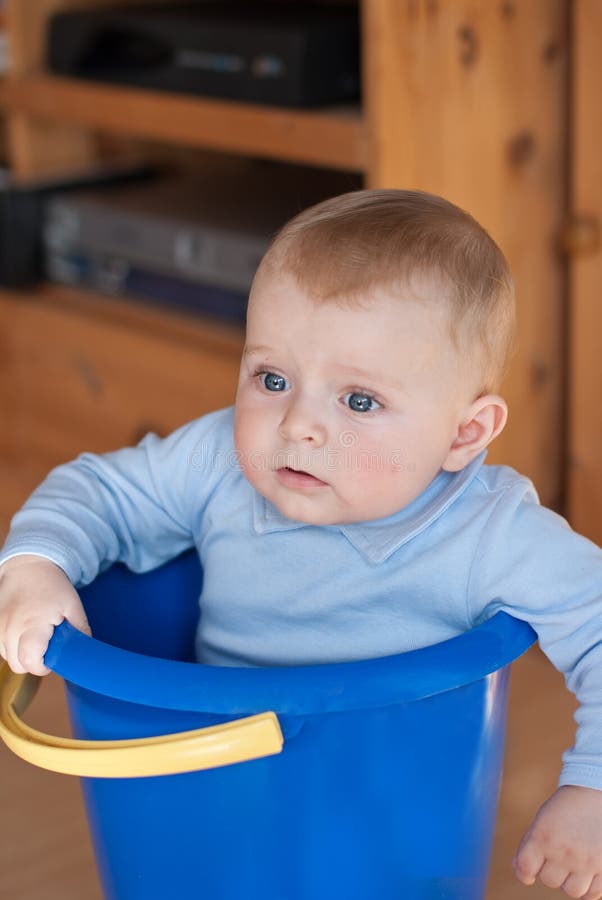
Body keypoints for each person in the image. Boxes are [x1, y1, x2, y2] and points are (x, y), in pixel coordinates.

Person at [0, 189, 601, 897]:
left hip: (398, 825)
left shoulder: (491, 532)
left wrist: (591, 790)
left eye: (359, 400)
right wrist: (34, 564)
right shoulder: (220, 464)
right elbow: (101, 492)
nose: (298, 425)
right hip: (215, 793)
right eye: (273, 378)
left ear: (465, 433)